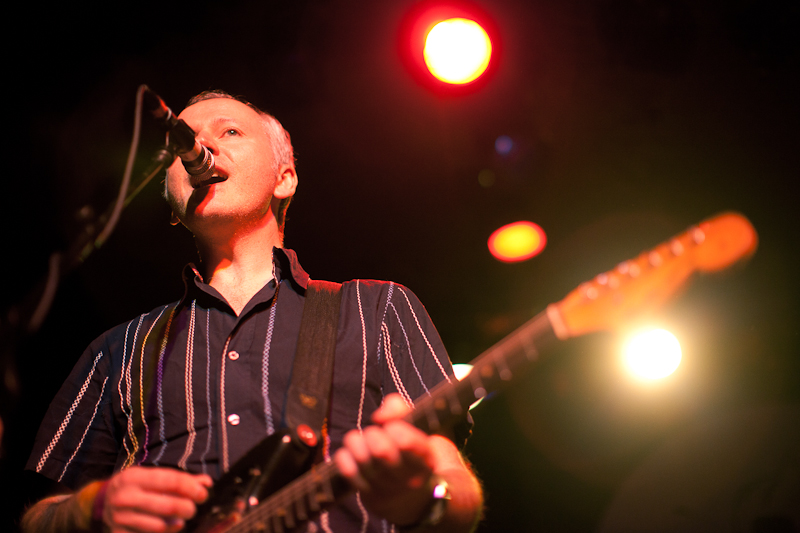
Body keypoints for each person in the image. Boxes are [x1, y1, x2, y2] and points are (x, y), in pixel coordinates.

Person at [21, 91, 483, 533]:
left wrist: (426, 499)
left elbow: (456, 484)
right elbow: (36, 516)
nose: (198, 147)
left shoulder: (377, 308)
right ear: (170, 204)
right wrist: (89, 510)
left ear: (285, 177)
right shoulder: (117, 349)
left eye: (230, 133)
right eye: (183, 138)